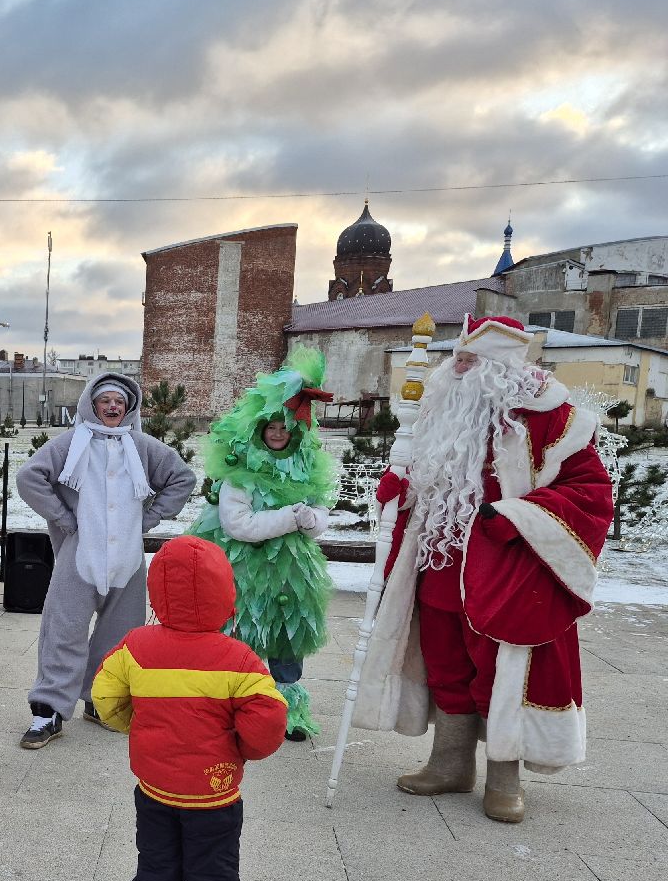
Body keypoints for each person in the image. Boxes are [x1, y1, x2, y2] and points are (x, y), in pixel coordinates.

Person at [355, 316, 614, 823]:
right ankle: (450, 763)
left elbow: (590, 493)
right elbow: (422, 478)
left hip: (506, 572)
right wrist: (397, 492)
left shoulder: (550, 420)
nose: (459, 366)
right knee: (444, 664)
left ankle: (503, 777)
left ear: (498, 368)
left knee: (500, 672)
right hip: (438, 561)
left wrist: (516, 515)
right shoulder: (440, 413)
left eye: (471, 359)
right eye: (458, 357)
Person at [91, 535, 286, 881]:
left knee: (155, 872)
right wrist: (237, 750)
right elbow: (268, 725)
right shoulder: (240, 660)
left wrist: (135, 728)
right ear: (225, 593)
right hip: (214, 800)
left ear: (158, 593)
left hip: (154, 790)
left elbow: (105, 699)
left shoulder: (136, 647)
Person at [15, 372, 195, 748]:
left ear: (129, 406)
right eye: (105, 400)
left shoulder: (143, 446)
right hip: (79, 557)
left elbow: (181, 478)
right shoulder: (70, 444)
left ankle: (99, 700)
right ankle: (48, 710)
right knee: (63, 632)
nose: (113, 407)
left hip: (127, 560)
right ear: (92, 404)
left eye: (119, 401)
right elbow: (30, 477)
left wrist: (150, 516)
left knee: (120, 637)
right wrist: (64, 518)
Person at [190, 346, 337, 742]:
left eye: (284, 428)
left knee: (289, 636)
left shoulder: (305, 469)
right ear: (259, 430)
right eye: (271, 426)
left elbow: (320, 515)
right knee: (245, 633)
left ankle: (286, 709)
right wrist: (291, 517)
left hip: (293, 573)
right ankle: (238, 705)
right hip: (247, 570)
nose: (277, 433)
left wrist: (311, 521)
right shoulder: (240, 477)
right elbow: (239, 525)